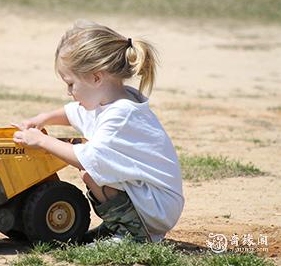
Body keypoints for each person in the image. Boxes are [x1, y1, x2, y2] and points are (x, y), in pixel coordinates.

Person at [12, 20, 184, 243]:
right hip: (151, 200)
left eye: (71, 84)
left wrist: (42, 141)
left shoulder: (120, 116)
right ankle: (119, 226)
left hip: (157, 205)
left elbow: (87, 157)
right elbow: (74, 112)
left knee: (92, 170)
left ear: (96, 77)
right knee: (91, 175)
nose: (68, 92)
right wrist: (42, 119)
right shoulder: (112, 101)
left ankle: (133, 234)